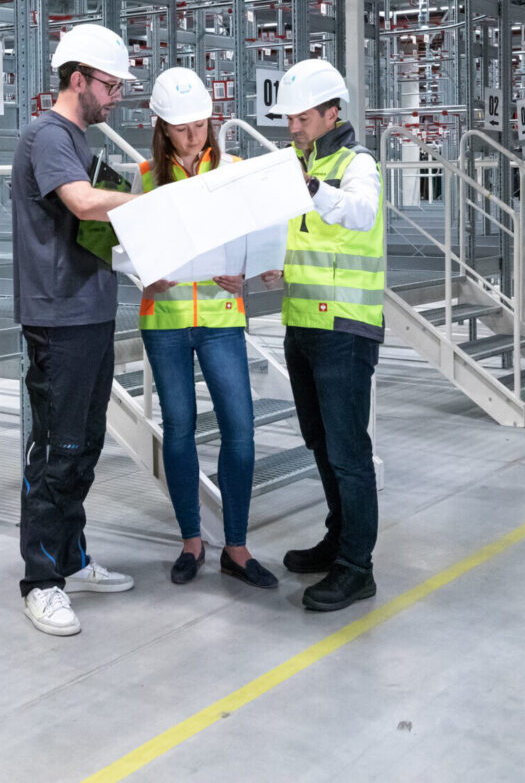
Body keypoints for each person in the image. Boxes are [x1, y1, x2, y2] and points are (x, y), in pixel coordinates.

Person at [12, 24, 139, 637]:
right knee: (58, 452)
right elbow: (86, 205)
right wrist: (153, 198)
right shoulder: (48, 134)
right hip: (58, 318)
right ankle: (41, 581)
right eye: (111, 84)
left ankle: (72, 559)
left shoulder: (77, 140)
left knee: (83, 448)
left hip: (88, 313)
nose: (116, 96)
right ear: (78, 78)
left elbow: (97, 228)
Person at [138, 68, 276, 591]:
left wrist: (248, 270)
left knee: (240, 429)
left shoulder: (236, 171)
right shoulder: (147, 175)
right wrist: (145, 278)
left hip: (221, 316)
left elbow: (259, 242)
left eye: (200, 124)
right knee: (178, 429)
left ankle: (235, 547)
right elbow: (131, 248)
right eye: (181, 127)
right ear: (162, 128)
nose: (193, 136)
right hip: (166, 319)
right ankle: (191, 541)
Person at [260, 58, 383, 612]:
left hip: (345, 331)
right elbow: (301, 240)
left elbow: (360, 214)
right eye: (289, 119)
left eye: (303, 117)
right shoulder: (292, 162)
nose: (293, 127)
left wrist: (312, 186)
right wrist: (274, 264)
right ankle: (339, 540)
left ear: (333, 112)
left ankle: (359, 568)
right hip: (302, 325)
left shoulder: (357, 164)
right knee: (322, 445)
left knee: (350, 452)